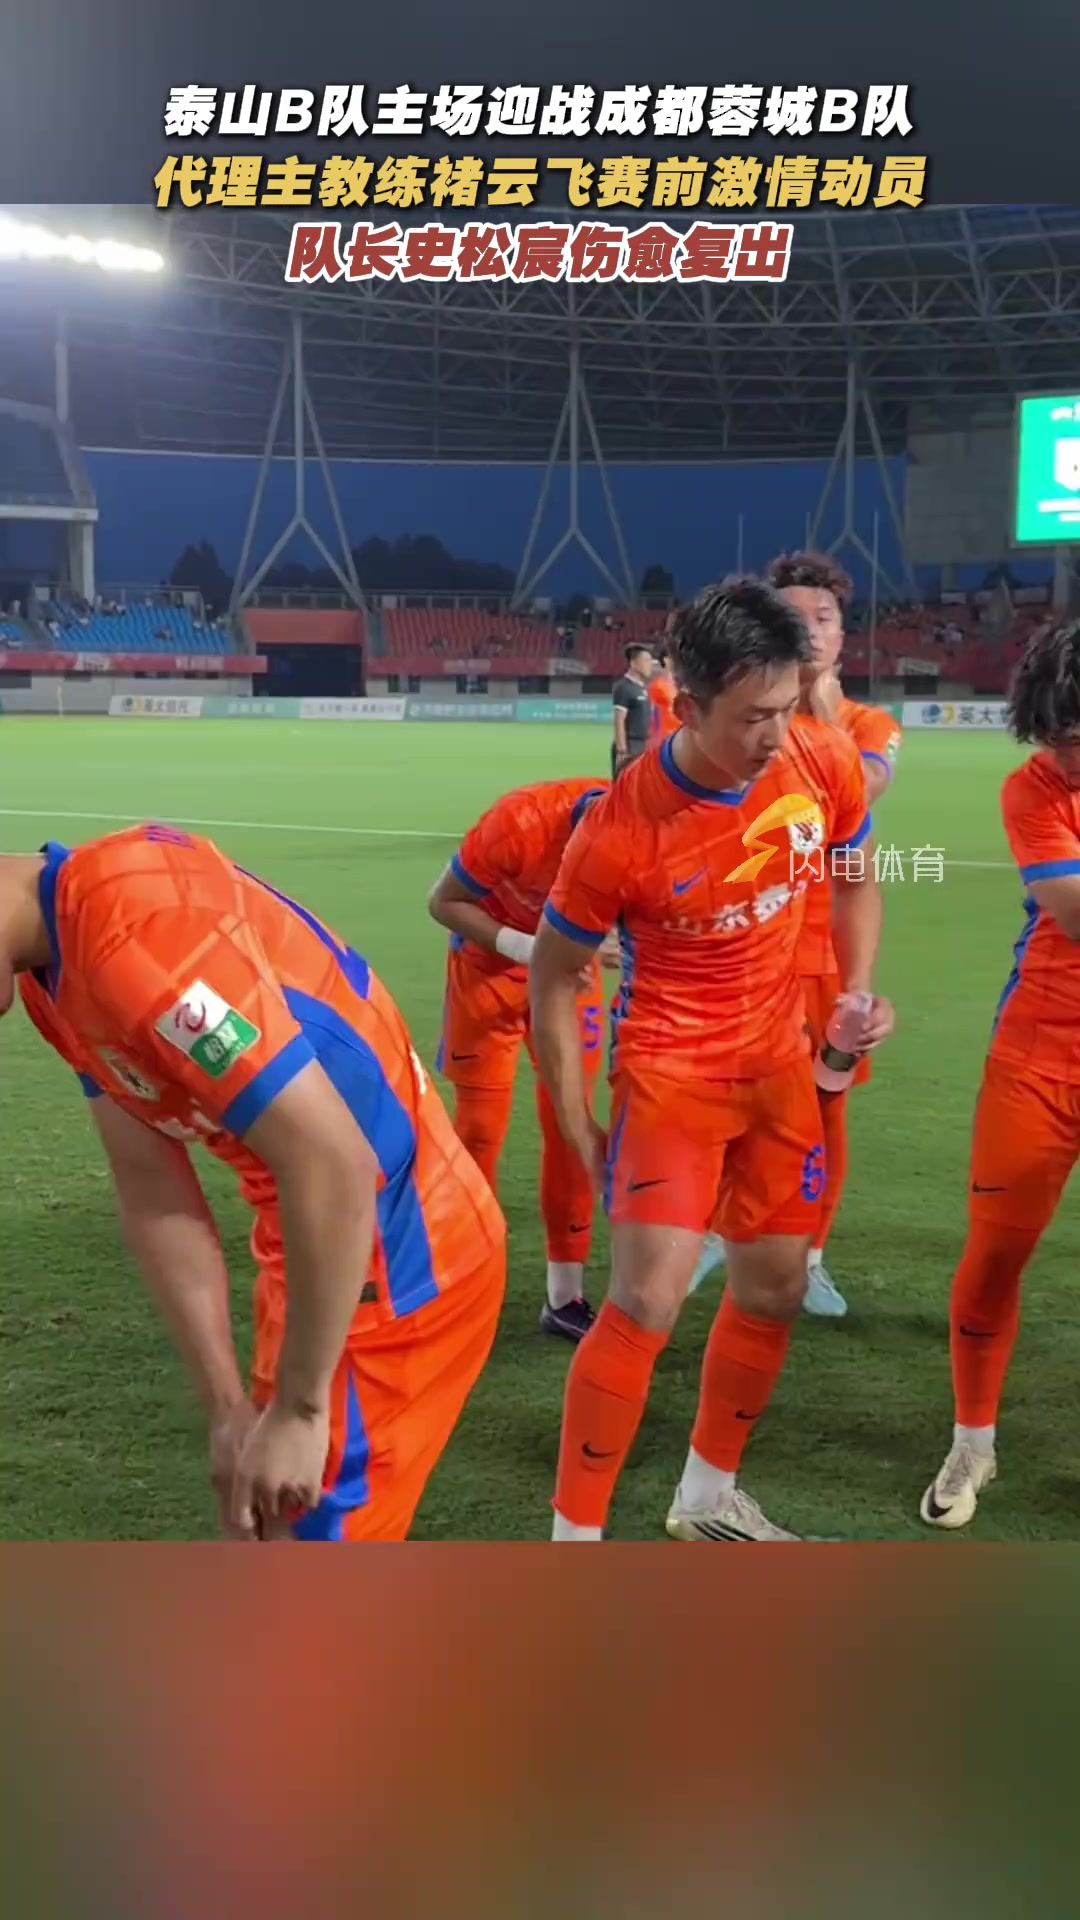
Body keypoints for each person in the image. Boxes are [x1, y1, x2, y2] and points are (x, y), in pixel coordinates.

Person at [3, 824, 505, 1541]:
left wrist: (301, 1409)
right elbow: (154, 1192)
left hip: (397, 1265)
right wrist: (226, 1408)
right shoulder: (59, 964)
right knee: (264, 1538)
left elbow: (334, 1162)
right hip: (321, 1260)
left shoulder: (134, 935)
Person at [531, 577, 893, 1543]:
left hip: (779, 1073)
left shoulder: (820, 758)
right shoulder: (621, 828)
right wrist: (577, 1124)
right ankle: (573, 1541)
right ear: (687, 707)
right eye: (751, 718)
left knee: (774, 1288)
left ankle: (706, 1498)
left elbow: (857, 878)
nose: (775, 737)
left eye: (786, 707)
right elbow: (554, 975)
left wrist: (855, 989)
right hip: (672, 1078)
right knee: (646, 1300)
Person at [921, 621, 1080, 1529]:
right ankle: (972, 1441)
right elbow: (1073, 909)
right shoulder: (1032, 789)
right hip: (1040, 1058)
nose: (1067, 756)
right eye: (1056, 736)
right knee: (993, 1258)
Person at [428, 777, 609, 1343]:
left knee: (571, 1123)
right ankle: (463, 1283)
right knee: (480, 1130)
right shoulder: (518, 823)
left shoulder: (644, 835)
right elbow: (443, 902)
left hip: (569, 978)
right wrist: (532, 949)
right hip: (488, 971)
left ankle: (565, 1296)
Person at [611, 643, 655, 777]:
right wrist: (622, 750)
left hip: (643, 744)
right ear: (634, 664)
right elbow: (619, 719)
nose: (650, 665)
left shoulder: (643, 687)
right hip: (631, 745)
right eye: (646, 661)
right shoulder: (624, 687)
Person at [647, 641, 680, 743]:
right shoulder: (657, 686)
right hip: (663, 740)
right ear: (666, 660)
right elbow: (651, 715)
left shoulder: (683, 685)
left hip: (681, 739)